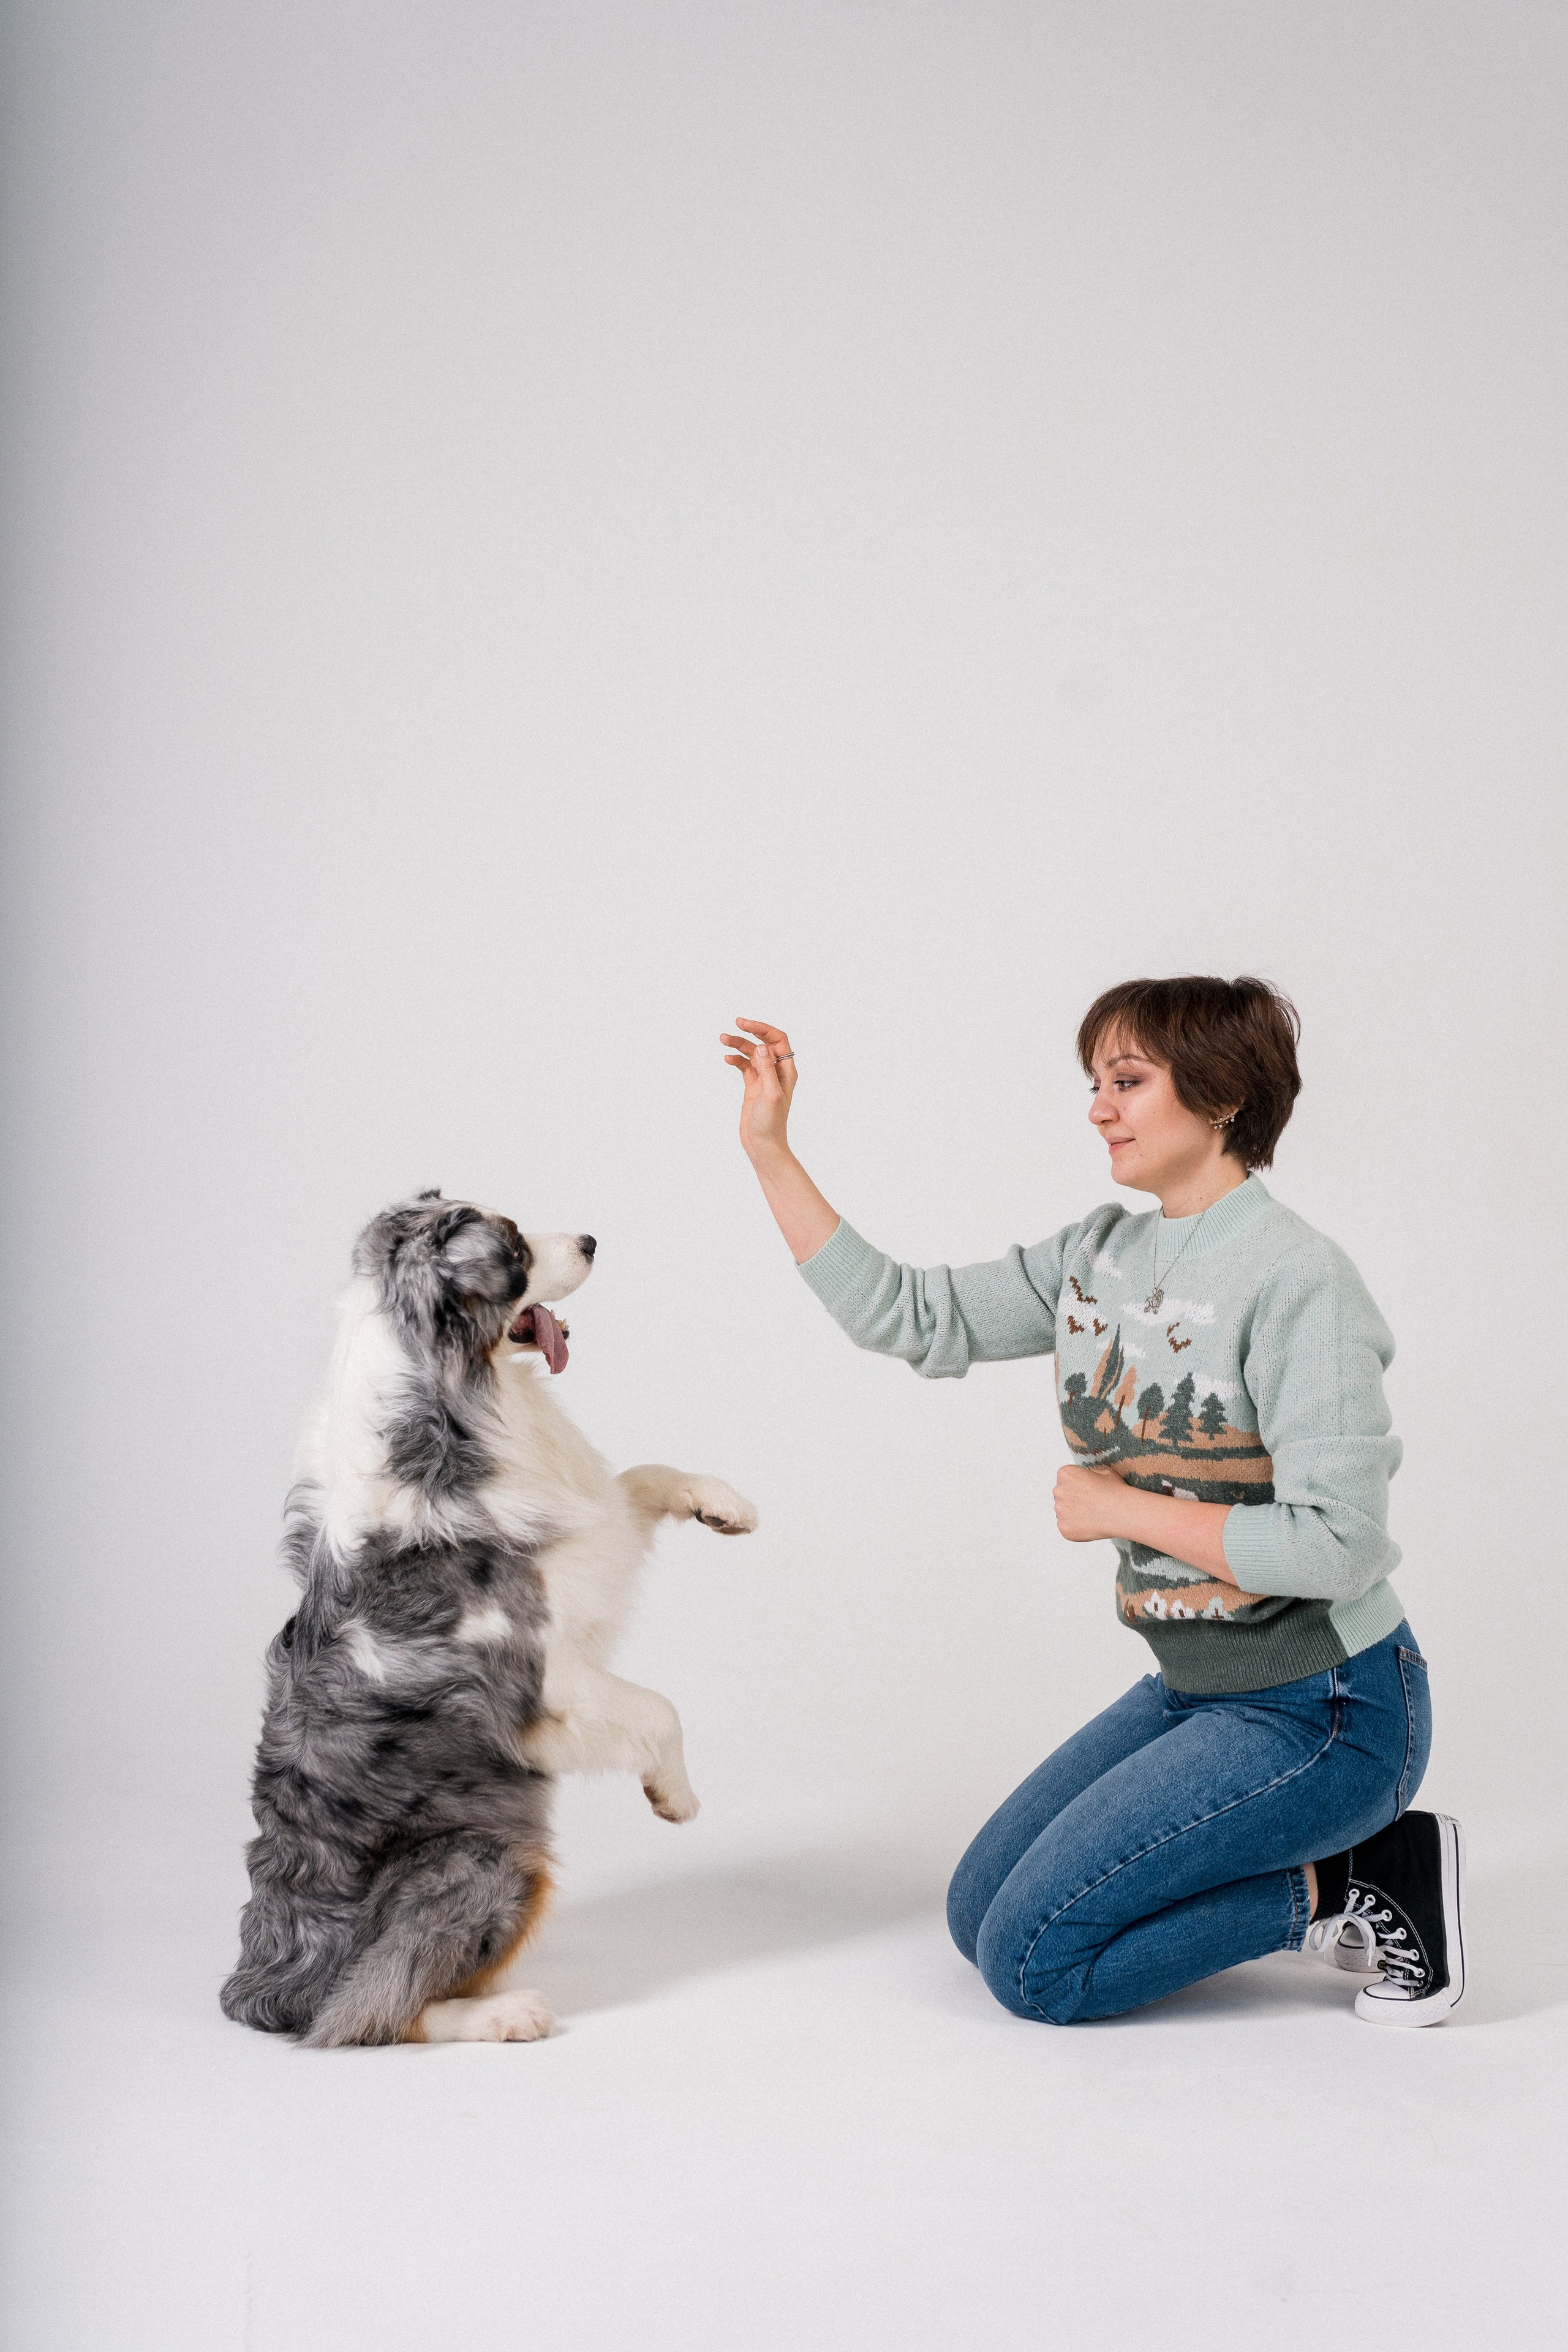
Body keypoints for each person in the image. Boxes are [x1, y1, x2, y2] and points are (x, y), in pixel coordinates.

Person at [721, 977, 1464, 2027]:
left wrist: (1124, 1510)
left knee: (1035, 1967)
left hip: (1331, 1707)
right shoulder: (1094, 1259)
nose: (1098, 1107)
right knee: (977, 1910)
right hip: (1194, 1686)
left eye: (1128, 1080)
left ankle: (1360, 1885)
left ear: (1221, 1099)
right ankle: (1320, 1878)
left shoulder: (1300, 1279)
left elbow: (1339, 1547)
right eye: (1096, 1082)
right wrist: (770, 1151)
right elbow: (911, 1314)